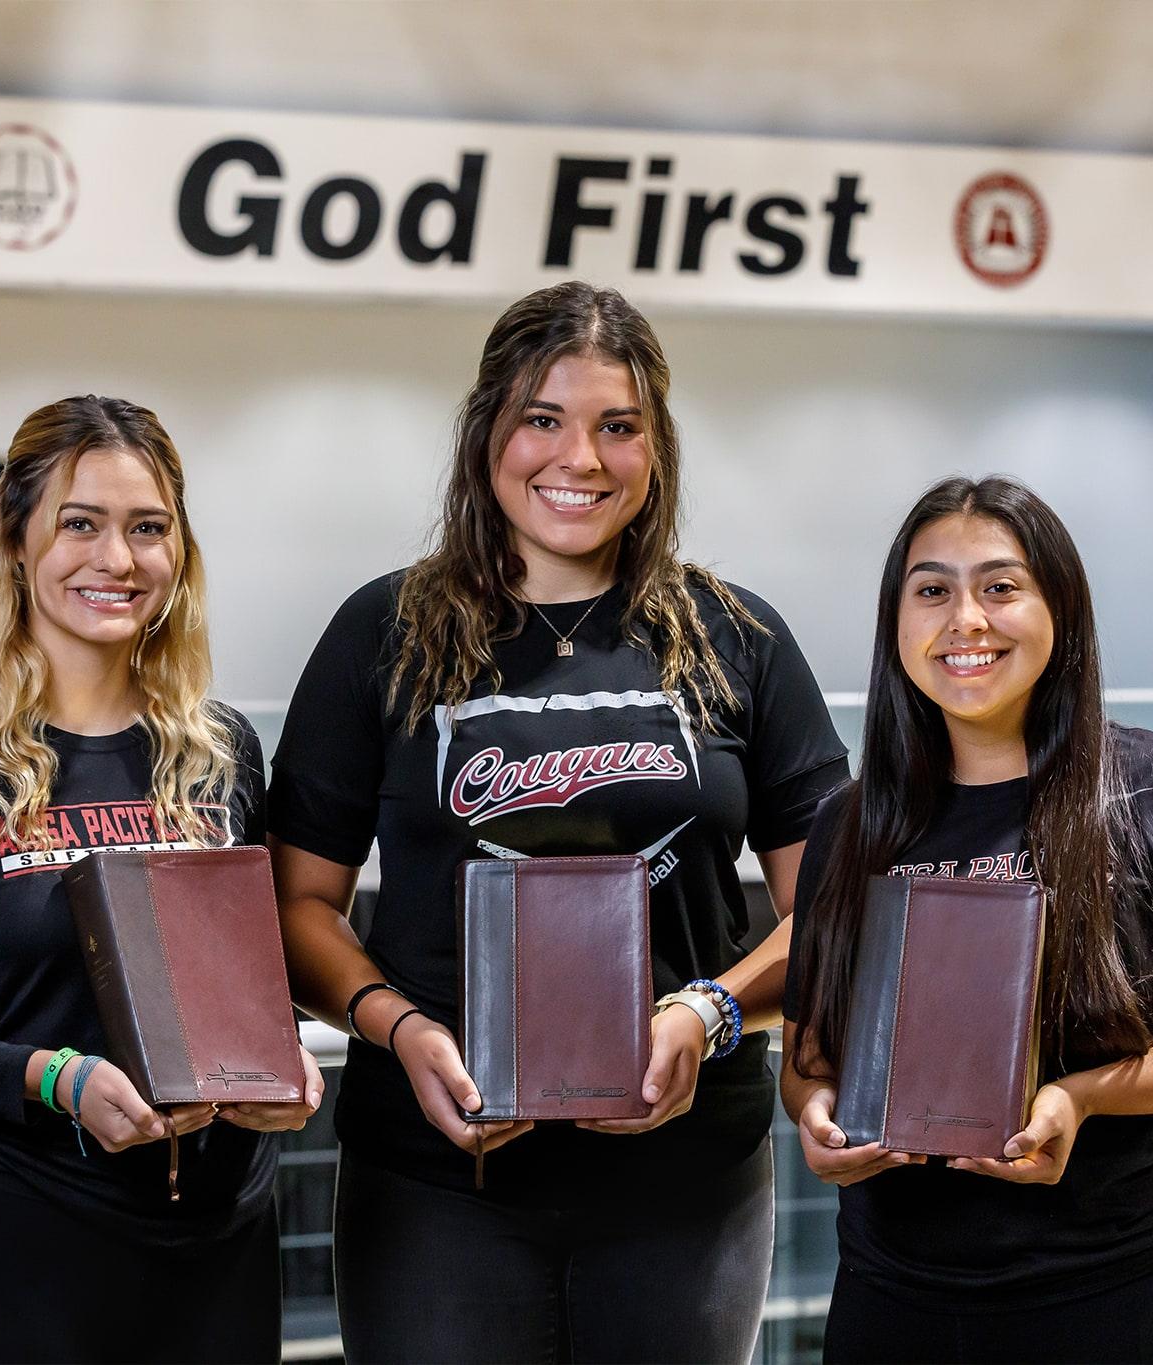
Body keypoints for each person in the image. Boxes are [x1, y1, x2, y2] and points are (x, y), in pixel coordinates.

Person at [269, 281, 849, 1363]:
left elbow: (833, 905)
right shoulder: (380, 634)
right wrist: (402, 1030)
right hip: (437, 1179)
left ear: (654, 447)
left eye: (615, 426)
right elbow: (297, 907)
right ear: (488, 431)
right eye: (542, 419)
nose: (577, 459)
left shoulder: (736, 639)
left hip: (688, 1186)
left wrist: (707, 1016)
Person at [782, 474, 1153, 1364]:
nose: (965, 618)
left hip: (1119, 1302)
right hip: (891, 1306)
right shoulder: (850, 825)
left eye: (1000, 586)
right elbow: (812, 1050)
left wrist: (1081, 1096)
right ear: (898, 626)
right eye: (932, 590)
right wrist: (814, 1113)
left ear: (1060, 612)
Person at [0, 395, 321, 1364]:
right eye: (78, 525)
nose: (116, 560)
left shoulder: (222, 754)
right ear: (16, 543)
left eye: (147, 529)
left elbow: (238, 986)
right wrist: (52, 1078)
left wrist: (281, 1069)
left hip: (218, 1238)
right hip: (21, 1234)